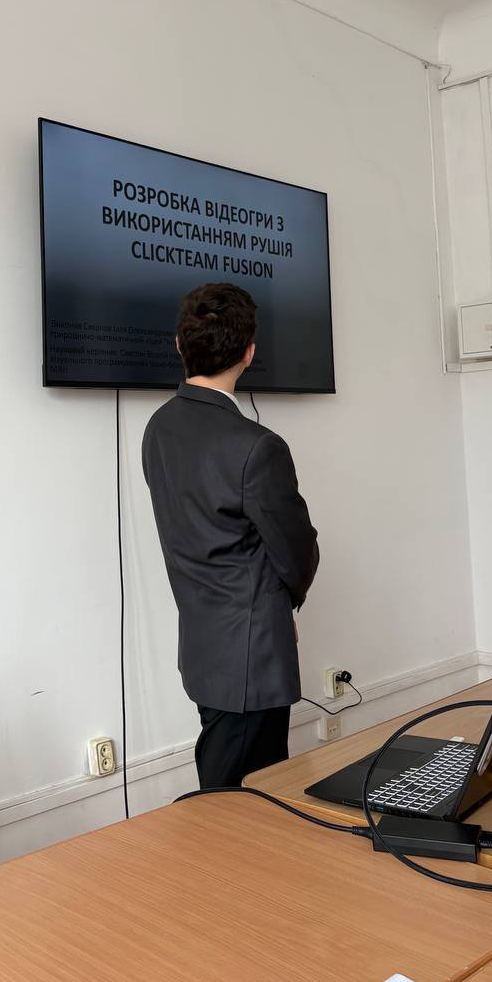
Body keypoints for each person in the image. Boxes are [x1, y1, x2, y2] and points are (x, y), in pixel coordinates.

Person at [142, 282, 319, 789]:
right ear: (249, 353)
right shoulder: (257, 446)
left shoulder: (158, 428)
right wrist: (284, 606)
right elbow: (296, 551)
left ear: (180, 344)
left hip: (203, 647)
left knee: (227, 795)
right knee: (243, 804)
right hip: (252, 655)